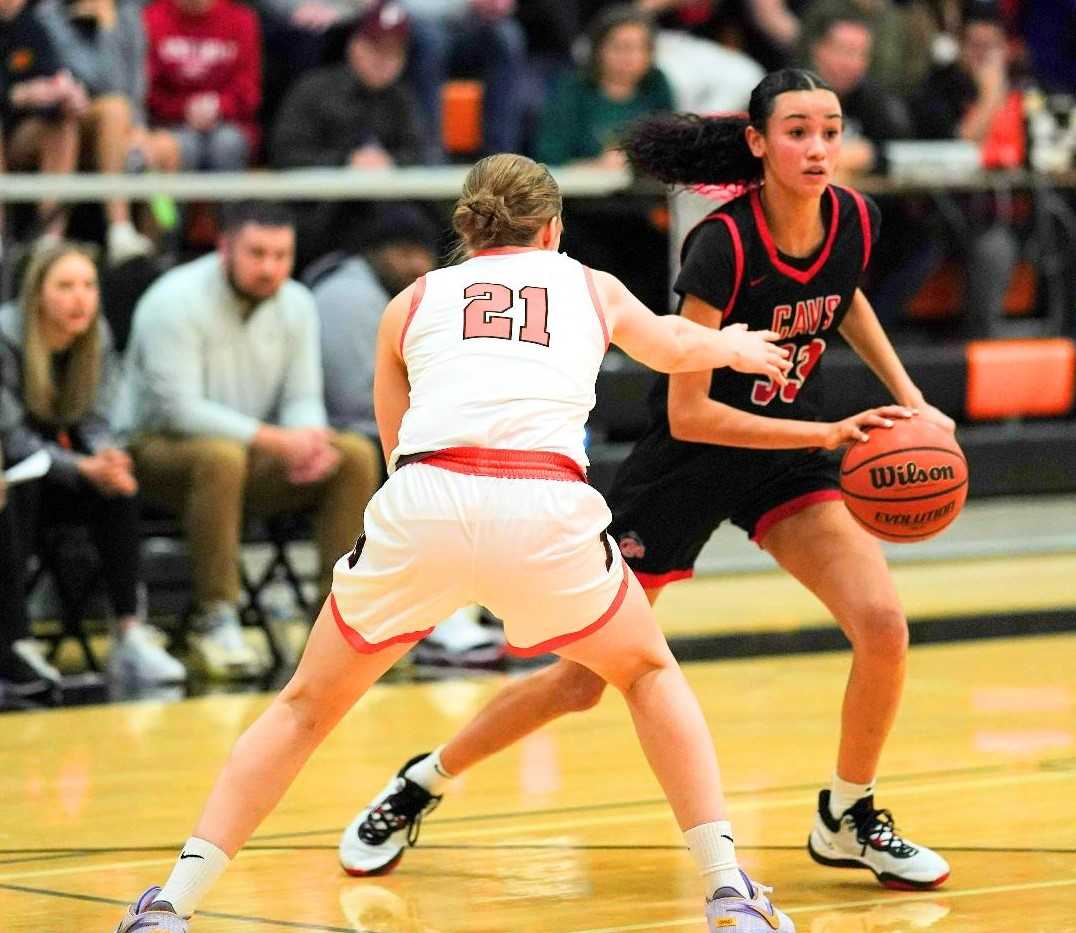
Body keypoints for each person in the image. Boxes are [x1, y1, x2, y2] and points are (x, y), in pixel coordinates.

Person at [114, 152, 797, 933]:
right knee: (644, 673)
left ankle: (170, 904)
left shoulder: (409, 301)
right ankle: (729, 893)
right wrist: (736, 348)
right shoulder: (588, 284)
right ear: (553, 228)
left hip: (428, 493)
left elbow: (395, 438)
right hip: (543, 501)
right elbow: (674, 346)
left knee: (304, 706)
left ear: (467, 229)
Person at [338, 70, 957, 894]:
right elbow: (691, 410)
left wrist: (912, 402)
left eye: (831, 131)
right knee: (583, 681)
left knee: (882, 621)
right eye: (799, 132)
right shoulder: (724, 245)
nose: (818, 149)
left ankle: (847, 814)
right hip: (687, 464)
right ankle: (425, 779)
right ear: (759, 143)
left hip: (784, 451)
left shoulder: (854, 217)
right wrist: (825, 430)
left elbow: (844, 301)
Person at [118, 202, 383, 679]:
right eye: (257, 254)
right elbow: (178, 409)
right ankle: (215, 619)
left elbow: (303, 396)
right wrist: (276, 441)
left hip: (250, 455)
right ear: (225, 248)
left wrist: (309, 440)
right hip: (151, 453)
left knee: (354, 455)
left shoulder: (298, 303)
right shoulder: (174, 300)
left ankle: (337, 620)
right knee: (220, 457)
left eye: (281, 255)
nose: (270, 268)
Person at [0, 243, 186, 687]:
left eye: (88, 285)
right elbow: (12, 438)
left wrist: (104, 458)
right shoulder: (5, 337)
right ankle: (14, 641)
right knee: (19, 487)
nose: (80, 298)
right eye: (65, 286)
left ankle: (129, 632)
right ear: (36, 295)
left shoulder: (95, 336)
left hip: (63, 470)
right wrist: (82, 467)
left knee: (119, 486)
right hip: (16, 474)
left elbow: (101, 420)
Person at [35, 0, 156, 264]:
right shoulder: (50, 14)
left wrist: (136, 126)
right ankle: (50, 235)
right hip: (54, 118)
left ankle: (131, 237)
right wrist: (105, 29)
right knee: (96, 112)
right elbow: (92, 80)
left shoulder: (127, 13)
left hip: (115, 119)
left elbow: (133, 85)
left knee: (122, 115)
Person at [142, 0, 261, 171]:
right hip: (169, 122)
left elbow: (249, 91)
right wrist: (184, 108)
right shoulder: (151, 18)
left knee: (227, 144)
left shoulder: (241, 19)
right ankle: (167, 199)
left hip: (228, 122)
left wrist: (219, 105)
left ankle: (231, 198)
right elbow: (146, 89)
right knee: (179, 146)